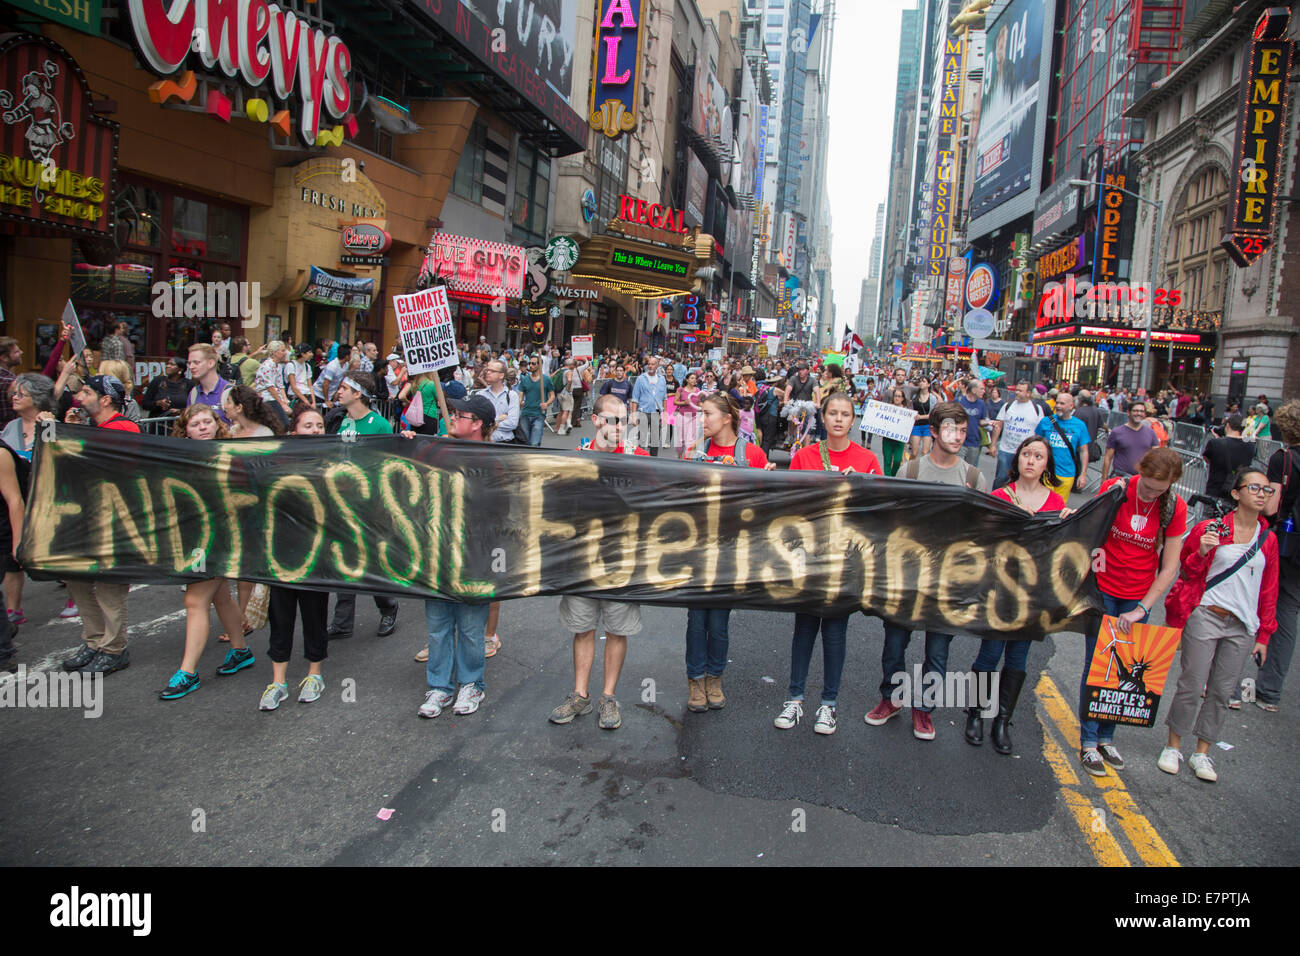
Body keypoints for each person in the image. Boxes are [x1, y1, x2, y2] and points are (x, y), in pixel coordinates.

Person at [865, 401, 987, 741]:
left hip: (948, 582)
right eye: (951, 429)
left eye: (963, 431)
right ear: (933, 431)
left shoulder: (974, 477)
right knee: (894, 645)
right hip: (909, 579)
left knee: (938, 651)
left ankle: (924, 709)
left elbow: (983, 533)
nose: (958, 436)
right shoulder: (911, 471)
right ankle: (891, 698)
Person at [1159, 467, 1278, 781]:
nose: (1261, 494)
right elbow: (1187, 571)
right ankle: (1173, 746)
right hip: (1206, 614)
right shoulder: (1212, 528)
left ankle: (1203, 753)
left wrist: (1264, 634)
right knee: (1192, 683)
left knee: (1222, 692)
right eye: (1254, 488)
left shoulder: (1269, 539)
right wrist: (1202, 551)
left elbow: (1269, 588)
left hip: (1242, 625)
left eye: (1266, 490)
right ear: (1236, 494)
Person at [775, 393, 882, 735]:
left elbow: (880, 510)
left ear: (854, 420)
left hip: (846, 562)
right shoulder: (805, 455)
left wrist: (859, 486)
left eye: (845, 414)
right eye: (832, 413)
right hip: (809, 557)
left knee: (835, 633)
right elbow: (788, 503)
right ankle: (794, 699)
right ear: (822, 416)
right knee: (804, 630)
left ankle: (829, 705)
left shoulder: (866, 459)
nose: (838, 419)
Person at [1081, 447, 1187, 775]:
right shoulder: (1116, 488)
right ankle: (1088, 741)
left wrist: (1143, 608)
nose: (1152, 493)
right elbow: (1090, 530)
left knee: (1128, 670)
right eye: (1148, 486)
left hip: (1138, 596)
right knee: (1098, 665)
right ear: (1140, 471)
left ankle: (1107, 737)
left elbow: (1169, 567)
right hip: (1103, 590)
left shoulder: (1175, 507)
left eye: (1160, 489)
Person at [549, 395, 649, 730]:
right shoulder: (577, 457)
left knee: (617, 630)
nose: (618, 427)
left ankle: (608, 696)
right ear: (596, 420)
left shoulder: (641, 459)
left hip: (622, 563)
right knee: (582, 628)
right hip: (582, 561)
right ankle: (580, 695)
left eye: (623, 420)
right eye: (611, 420)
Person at [964, 435, 1066, 753]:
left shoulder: (1056, 504)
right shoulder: (998, 496)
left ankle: (1003, 720)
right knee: (990, 654)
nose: (1031, 460)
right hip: (1000, 590)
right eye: (1026, 454)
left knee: (1018, 659)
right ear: (1017, 459)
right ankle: (976, 713)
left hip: (1033, 594)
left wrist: (1068, 523)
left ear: (1047, 464)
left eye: (1038, 456)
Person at [683, 392, 775, 712]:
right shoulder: (693, 452)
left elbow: (765, 506)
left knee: (719, 621)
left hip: (732, 551)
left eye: (707, 414)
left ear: (726, 419)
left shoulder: (752, 454)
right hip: (699, 549)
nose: (702, 420)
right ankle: (695, 680)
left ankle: (714, 678)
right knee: (696, 620)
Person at [158, 405, 258, 699]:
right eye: (195, 424)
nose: (202, 427)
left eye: (207, 422)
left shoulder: (231, 457)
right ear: (184, 430)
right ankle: (240, 650)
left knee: (194, 599)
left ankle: (187, 672)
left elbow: (248, 495)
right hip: (195, 538)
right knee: (219, 595)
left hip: (222, 539)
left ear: (217, 425)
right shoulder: (178, 458)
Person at [413, 394, 499, 719]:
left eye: (459, 414)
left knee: (471, 628)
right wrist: (406, 443)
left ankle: (471, 683)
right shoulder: (437, 450)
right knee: (437, 626)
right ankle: (438, 687)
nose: (452, 417)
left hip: (474, 556)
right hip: (437, 553)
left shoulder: (496, 458)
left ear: (476, 424)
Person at [259, 406, 332, 710]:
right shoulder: (275, 462)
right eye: (308, 425)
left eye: (319, 425)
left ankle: (315, 674)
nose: (315, 430)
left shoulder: (331, 462)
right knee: (281, 617)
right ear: (292, 432)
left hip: (317, 555)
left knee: (314, 616)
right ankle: (278, 681)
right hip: (281, 554)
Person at [1255, 400, 1300, 713]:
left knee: (1259, 604)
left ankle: (1230, 686)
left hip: (1284, 543)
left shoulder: (1284, 458)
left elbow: (1270, 506)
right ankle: (1270, 692)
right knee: (1288, 614)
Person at [1035, 391, 1090, 498]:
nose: (1058, 406)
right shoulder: (1046, 421)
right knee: (1040, 504)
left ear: (1071, 406)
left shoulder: (1080, 425)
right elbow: (1034, 443)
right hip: (1045, 471)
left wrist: (1083, 474)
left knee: (1058, 508)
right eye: (1057, 402)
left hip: (1066, 474)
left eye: (1062, 404)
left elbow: (1084, 451)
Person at [991, 381, 1045, 489]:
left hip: (1025, 452)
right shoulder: (1008, 406)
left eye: (1020, 391)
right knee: (1001, 478)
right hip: (1006, 450)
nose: (1017, 392)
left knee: (1020, 480)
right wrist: (993, 445)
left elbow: (1039, 431)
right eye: (1016, 390)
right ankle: (995, 499)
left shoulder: (1037, 409)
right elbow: (998, 425)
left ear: (1028, 393)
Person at [1101, 401, 1159, 483]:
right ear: (1128, 413)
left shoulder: (1151, 433)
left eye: (1142, 411)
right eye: (1135, 411)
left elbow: (1157, 457)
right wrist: (1104, 480)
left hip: (1141, 480)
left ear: (1145, 414)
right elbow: (1107, 458)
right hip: (1120, 479)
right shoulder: (1117, 432)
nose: (1139, 413)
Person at [1201, 414, 1254, 504]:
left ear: (1228, 425)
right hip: (1237, 491)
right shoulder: (1250, 445)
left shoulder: (1215, 443)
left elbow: (1207, 459)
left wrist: (1217, 440)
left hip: (1216, 489)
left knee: (1211, 516)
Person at [629, 355, 668, 455]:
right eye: (649, 364)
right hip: (643, 412)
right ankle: (640, 460)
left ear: (657, 365)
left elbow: (664, 398)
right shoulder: (641, 379)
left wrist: (665, 414)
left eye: (653, 364)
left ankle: (653, 461)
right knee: (641, 439)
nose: (650, 366)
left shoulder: (662, 379)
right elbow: (635, 398)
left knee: (655, 441)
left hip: (656, 412)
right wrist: (633, 415)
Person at [186, 343, 234, 425]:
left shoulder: (231, 392)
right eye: (189, 363)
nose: (191, 367)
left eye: (196, 362)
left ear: (211, 363)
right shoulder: (194, 393)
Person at [476, 358, 520, 444]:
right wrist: (498, 419)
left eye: (492, 371)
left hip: (505, 443)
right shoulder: (480, 395)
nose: (488, 373)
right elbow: (478, 422)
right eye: (487, 370)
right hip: (485, 443)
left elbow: (512, 423)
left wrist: (489, 424)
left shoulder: (511, 396)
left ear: (501, 375)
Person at [515, 354, 553, 446]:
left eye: (533, 363)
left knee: (535, 443)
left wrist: (546, 403)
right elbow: (520, 395)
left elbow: (552, 395)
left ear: (539, 365)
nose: (530, 365)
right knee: (525, 442)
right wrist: (518, 403)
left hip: (539, 414)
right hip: (525, 413)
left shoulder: (546, 379)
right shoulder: (525, 379)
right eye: (529, 363)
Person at [254, 340, 291, 429]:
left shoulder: (278, 365)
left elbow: (280, 385)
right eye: (282, 350)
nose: (285, 353)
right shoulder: (267, 366)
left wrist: (285, 399)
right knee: (284, 423)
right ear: (274, 353)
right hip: (267, 397)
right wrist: (282, 403)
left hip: (275, 397)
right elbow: (270, 388)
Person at [957, 378, 990, 467]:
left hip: (974, 442)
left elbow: (981, 421)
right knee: (958, 467)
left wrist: (989, 423)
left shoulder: (981, 403)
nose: (984, 391)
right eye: (981, 389)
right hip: (959, 441)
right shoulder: (960, 401)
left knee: (970, 469)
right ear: (974, 390)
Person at [879, 387, 910, 476]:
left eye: (899, 396)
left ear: (902, 398)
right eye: (895, 396)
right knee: (887, 460)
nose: (897, 398)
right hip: (888, 438)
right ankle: (887, 479)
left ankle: (892, 477)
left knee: (897, 460)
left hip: (899, 440)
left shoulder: (907, 411)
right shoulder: (887, 408)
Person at [675, 370, 702, 459]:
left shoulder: (697, 390)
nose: (694, 380)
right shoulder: (681, 389)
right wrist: (684, 403)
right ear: (687, 380)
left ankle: (687, 459)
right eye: (692, 378)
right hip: (682, 416)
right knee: (680, 439)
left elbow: (699, 403)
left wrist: (705, 406)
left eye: (695, 378)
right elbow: (675, 402)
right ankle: (679, 456)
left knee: (690, 440)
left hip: (694, 417)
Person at [909, 378, 938, 460]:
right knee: (914, 453)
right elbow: (911, 409)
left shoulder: (932, 398)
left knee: (925, 452)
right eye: (920, 381)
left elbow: (933, 414)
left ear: (928, 384)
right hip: (916, 425)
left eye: (924, 381)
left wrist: (921, 417)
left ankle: (921, 470)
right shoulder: (915, 396)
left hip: (927, 426)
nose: (921, 383)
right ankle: (910, 467)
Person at [287, 343, 316, 408]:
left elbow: (310, 386)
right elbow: (293, 387)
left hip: (307, 395)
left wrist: (313, 402)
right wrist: (306, 402)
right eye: (310, 352)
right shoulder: (291, 365)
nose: (312, 354)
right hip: (296, 396)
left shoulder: (307, 366)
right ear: (303, 354)